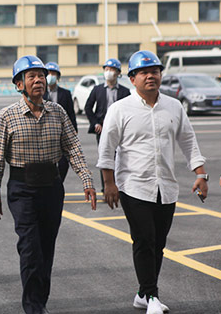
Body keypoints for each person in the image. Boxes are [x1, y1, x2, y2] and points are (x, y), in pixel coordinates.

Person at [97, 50, 208, 314]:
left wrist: (201, 175)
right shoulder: (120, 109)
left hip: (166, 187)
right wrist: (109, 183)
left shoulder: (174, 106)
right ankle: (152, 297)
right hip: (133, 186)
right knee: (144, 239)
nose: (150, 76)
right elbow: (106, 148)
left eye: (155, 71)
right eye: (144, 72)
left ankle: (142, 294)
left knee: (158, 243)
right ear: (132, 79)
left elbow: (188, 141)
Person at [0, 55, 96, 314]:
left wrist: (87, 180)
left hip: (51, 188)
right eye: (31, 76)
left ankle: (40, 301)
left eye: (41, 76)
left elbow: (73, 148)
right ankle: (33, 307)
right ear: (19, 84)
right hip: (22, 189)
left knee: (46, 248)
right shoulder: (7, 116)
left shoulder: (58, 112)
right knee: (30, 248)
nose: (38, 81)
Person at [84, 58, 131, 190]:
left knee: (120, 158)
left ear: (118, 73)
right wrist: (95, 123)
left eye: (112, 70)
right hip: (102, 129)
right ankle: (106, 187)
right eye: (107, 69)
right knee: (105, 158)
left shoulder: (125, 91)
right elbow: (88, 107)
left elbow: (128, 110)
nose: (109, 72)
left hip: (120, 130)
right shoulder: (97, 89)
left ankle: (120, 186)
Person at [42, 62, 77, 182]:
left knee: (63, 163)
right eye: (48, 73)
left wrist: (74, 131)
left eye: (53, 73)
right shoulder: (40, 93)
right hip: (45, 133)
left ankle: (59, 182)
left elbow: (71, 113)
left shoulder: (65, 93)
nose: (51, 76)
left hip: (62, 132)